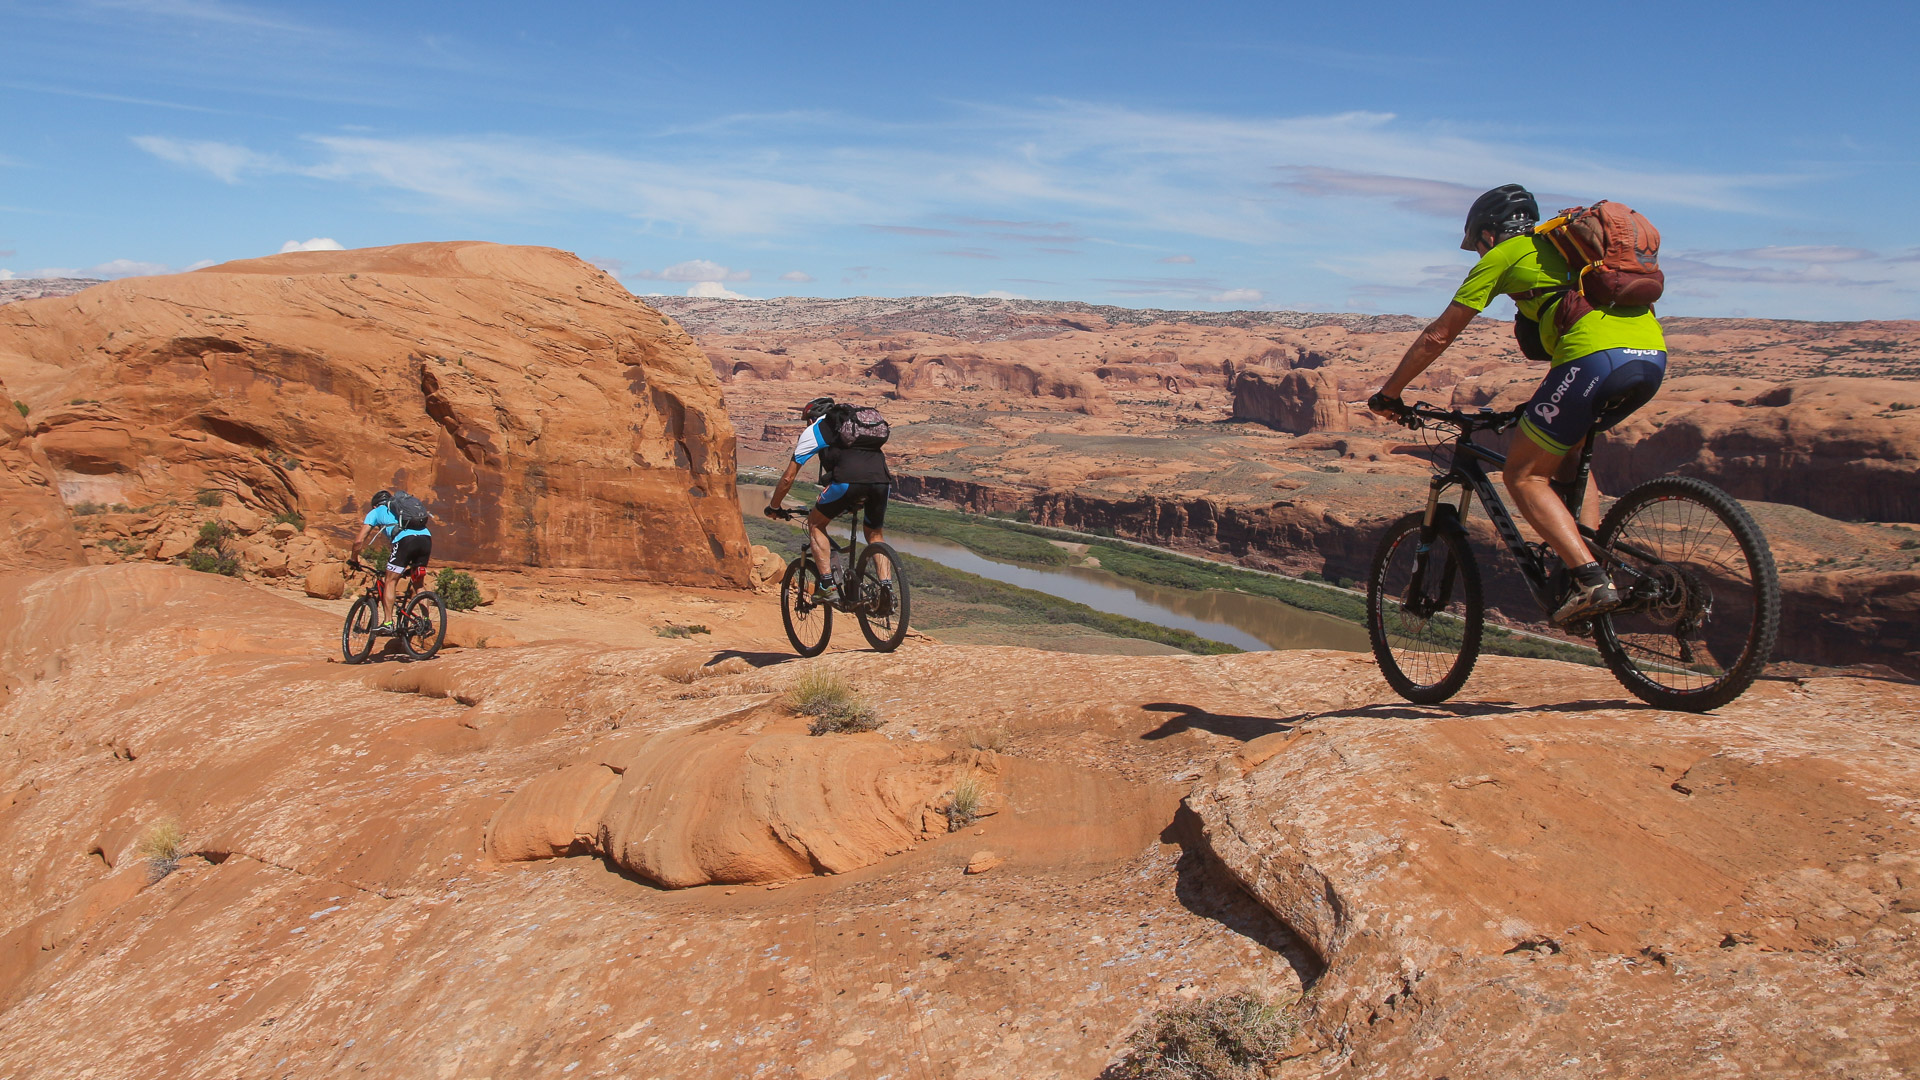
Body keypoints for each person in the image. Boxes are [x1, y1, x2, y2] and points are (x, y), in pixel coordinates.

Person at [1369, 184, 1668, 626]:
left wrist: (1389, 394)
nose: (1477, 252)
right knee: (1570, 452)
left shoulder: (1505, 256)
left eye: (1477, 244)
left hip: (1592, 361)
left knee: (1523, 475)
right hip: (1650, 359)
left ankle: (1589, 578)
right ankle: (1587, 562)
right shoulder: (1568, 252)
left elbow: (1439, 335)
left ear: (1490, 234)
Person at [764, 396, 892, 599]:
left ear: (811, 417)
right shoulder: (852, 428)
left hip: (847, 482)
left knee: (815, 524)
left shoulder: (816, 429)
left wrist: (774, 506)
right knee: (875, 535)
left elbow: (788, 477)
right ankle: (886, 589)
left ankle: (827, 587)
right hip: (882, 482)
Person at [349, 489, 433, 633]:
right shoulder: (401, 508)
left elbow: (358, 541)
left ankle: (388, 623)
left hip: (405, 541)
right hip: (426, 539)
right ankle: (425, 622)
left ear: (375, 505)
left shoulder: (375, 512)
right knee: (418, 583)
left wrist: (354, 559)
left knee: (390, 581)